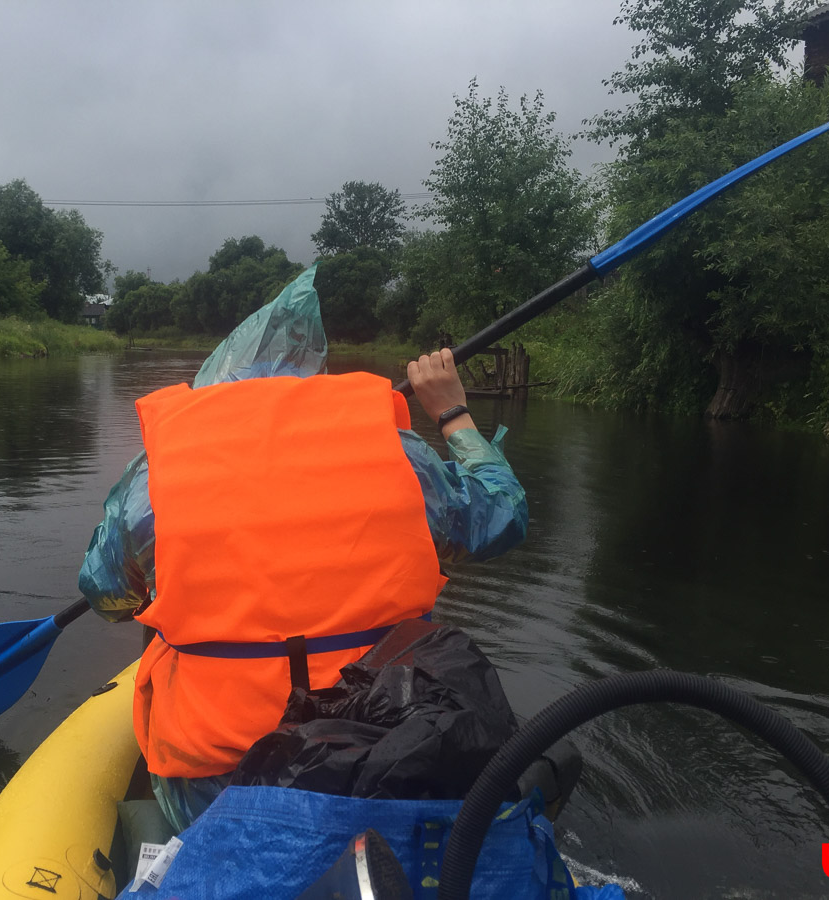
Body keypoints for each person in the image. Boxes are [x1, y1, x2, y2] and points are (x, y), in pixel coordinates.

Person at [78, 264, 528, 832]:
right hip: (383, 750)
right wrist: (452, 413)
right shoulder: (400, 455)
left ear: (216, 387)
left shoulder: (151, 481)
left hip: (219, 776)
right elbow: (504, 514)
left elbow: (105, 596)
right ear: (309, 381)